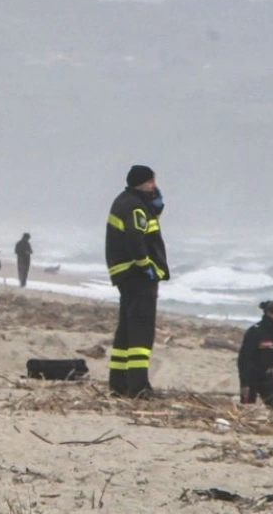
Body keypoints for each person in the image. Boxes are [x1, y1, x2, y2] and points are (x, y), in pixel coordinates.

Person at [106, 164, 169, 399]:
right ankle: (139, 386)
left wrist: (155, 209)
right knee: (141, 333)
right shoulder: (134, 206)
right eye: (152, 182)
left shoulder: (126, 201)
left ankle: (119, 382)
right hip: (137, 275)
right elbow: (135, 236)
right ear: (145, 182)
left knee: (126, 330)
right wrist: (146, 265)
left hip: (125, 274)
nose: (155, 186)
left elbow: (142, 227)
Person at [238, 300, 273, 409]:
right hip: (252, 376)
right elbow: (243, 358)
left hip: (267, 376)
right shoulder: (255, 331)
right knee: (247, 409)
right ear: (269, 313)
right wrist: (244, 384)